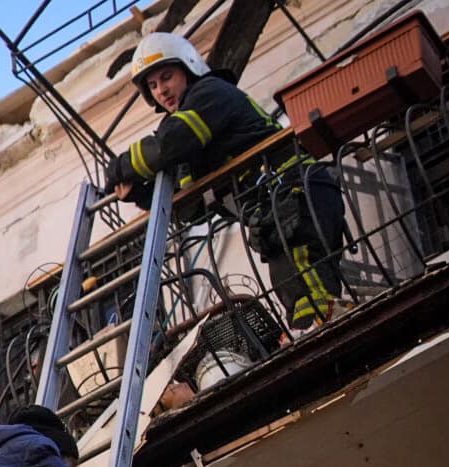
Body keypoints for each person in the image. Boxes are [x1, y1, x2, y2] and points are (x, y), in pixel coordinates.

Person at [107, 32, 346, 331]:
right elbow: (190, 206)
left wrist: (119, 167)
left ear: (188, 67)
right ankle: (315, 331)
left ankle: (323, 333)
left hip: (296, 192)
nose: (161, 91)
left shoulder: (209, 93)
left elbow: (168, 144)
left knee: (311, 299)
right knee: (297, 294)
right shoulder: (191, 132)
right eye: (152, 86)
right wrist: (141, 195)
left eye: (166, 77)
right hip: (279, 207)